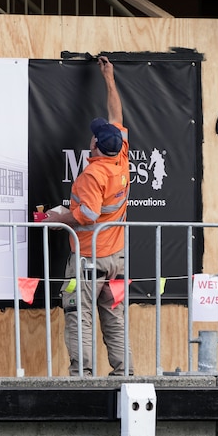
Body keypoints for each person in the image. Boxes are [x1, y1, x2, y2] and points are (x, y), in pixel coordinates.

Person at [41, 55, 133, 376]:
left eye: (95, 135)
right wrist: (109, 78)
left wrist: (54, 220)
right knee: (113, 316)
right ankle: (125, 374)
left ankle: (83, 377)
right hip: (115, 259)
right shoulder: (121, 158)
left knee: (79, 314)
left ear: (94, 145)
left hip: (89, 259)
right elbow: (116, 114)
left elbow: (88, 214)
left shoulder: (92, 176)